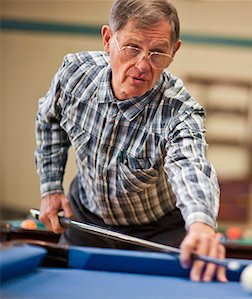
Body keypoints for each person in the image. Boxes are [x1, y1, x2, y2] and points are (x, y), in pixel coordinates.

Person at [35, 0, 226, 282]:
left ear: (174, 51)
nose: (142, 65)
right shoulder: (75, 75)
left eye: (158, 53)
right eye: (132, 48)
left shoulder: (179, 111)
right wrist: (51, 187)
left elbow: (191, 167)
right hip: (87, 223)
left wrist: (200, 224)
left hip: (158, 232)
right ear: (108, 39)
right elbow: (48, 119)